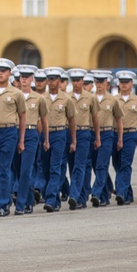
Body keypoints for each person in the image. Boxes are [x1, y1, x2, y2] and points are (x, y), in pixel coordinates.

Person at [0, 58, 26, 217]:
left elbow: (22, 116)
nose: (0, 74)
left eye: (3, 71)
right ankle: (3, 199)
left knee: (4, 168)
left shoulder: (17, 93)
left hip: (9, 133)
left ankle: (2, 204)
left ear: (9, 73)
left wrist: (21, 140)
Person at [15, 66, 48, 215]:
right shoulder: (14, 95)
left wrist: (45, 138)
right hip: (14, 132)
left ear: (31, 79)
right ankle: (28, 200)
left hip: (30, 133)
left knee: (26, 170)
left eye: (27, 76)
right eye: (22, 76)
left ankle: (20, 204)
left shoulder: (38, 98)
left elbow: (44, 119)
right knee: (16, 170)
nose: (24, 79)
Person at [43, 67, 76, 212]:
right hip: (44, 134)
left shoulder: (66, 99)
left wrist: (73, 140)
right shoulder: (41, 98)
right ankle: (55, 199)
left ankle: (50, 199)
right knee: (45, 168)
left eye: (54, 79)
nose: (51, 82)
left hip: (59, 134)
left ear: (59, 80)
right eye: (49, 79)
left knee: (55, 167)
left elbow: (72, 120)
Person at [113, 70, 137, 206]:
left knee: (126, 163)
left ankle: (121, 192)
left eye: (126, 82)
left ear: (132, 84)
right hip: (115, 134)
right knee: (116, 164)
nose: (124, 85)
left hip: (131, 134)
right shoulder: (114, 100)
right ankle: (128, 193)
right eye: (122, 82)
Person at [90, 71, 124, 207]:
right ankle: (104, 197)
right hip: (92, 133)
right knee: (95, 165)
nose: (99, 85)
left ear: (107, 84)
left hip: (107, 134)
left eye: (101, 82)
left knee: (101, 165)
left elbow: (119, 120)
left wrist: (120, 138)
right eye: (97, 82)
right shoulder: (90, 98)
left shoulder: (112, 100)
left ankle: (96, 193)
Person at [68, 68, 99, 210]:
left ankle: (74, 195)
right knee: (72, 165)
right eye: (73, 80)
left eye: (78, 80)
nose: (76, 83)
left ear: (82, 81)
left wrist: (97, 137)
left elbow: (95, 119)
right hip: (68, 133)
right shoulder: (66, 97)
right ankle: (81, 196)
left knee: (80, 165)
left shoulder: (90, 97)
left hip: (84, 133)